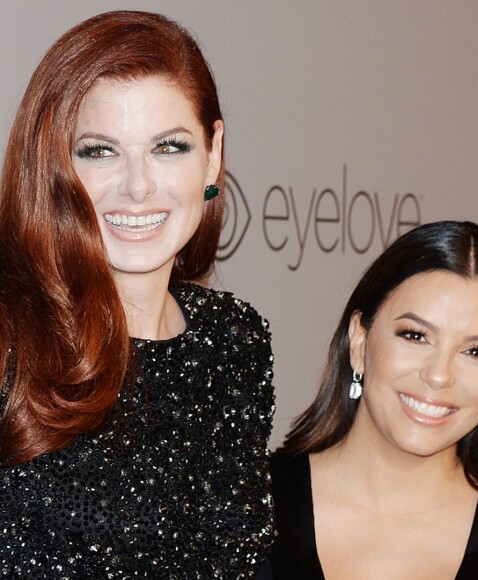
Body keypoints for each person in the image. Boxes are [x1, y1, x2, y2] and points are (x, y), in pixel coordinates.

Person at [0, 10, 274, 578]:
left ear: (213, 153)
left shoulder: (236, 340)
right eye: (99, 151)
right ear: (52, 165)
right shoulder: (10, 338)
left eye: (168, 147)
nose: (138, 186)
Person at [262, 221, 478, 579]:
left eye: (477, 352)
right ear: (359, 341)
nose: (439, 375)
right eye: (415, 335)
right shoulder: (238, 507)